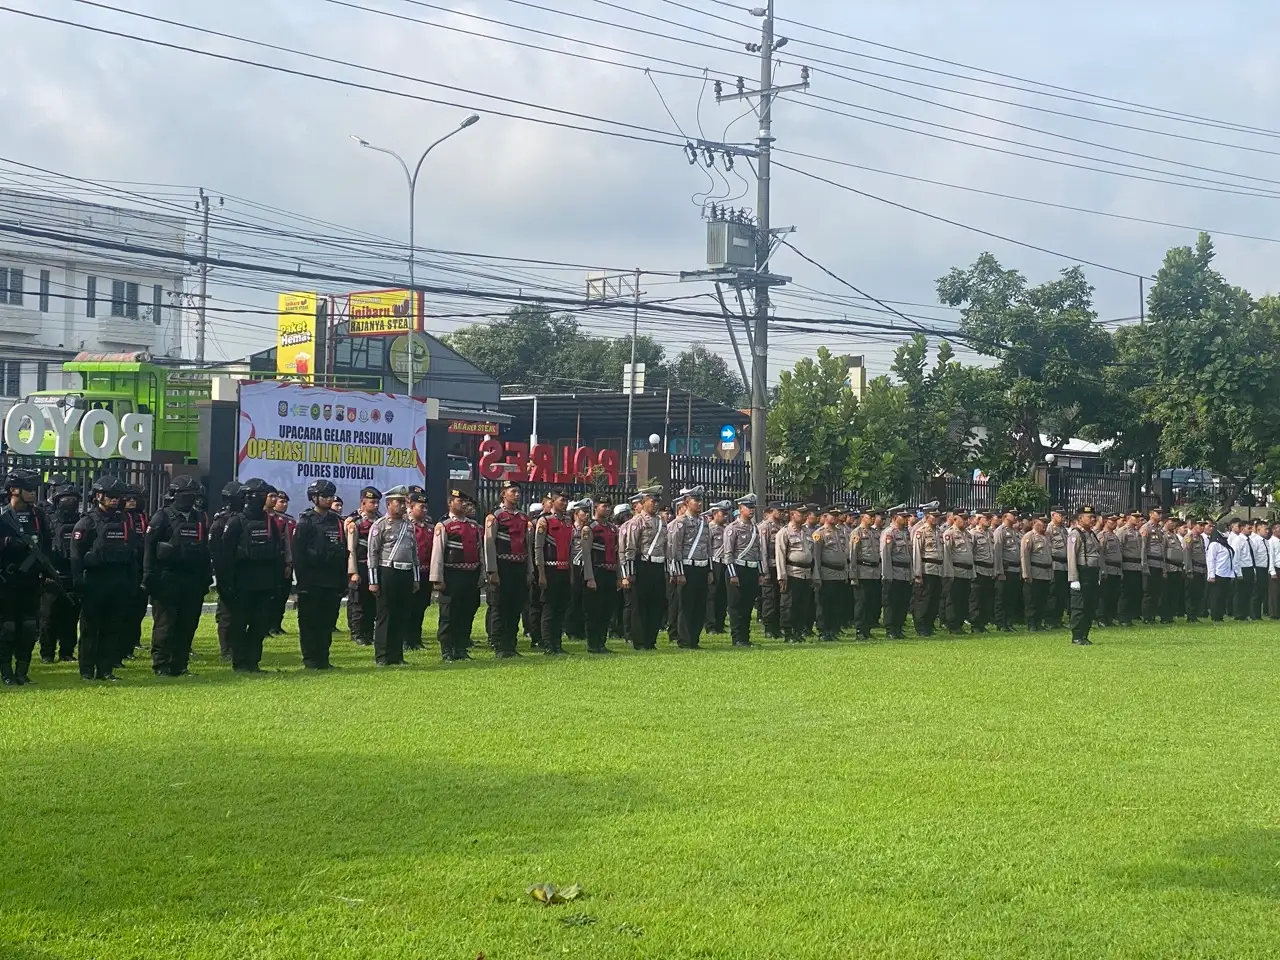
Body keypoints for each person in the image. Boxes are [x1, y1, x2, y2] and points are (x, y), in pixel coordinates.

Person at [144, 476, 212, 677]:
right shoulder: (162, 517)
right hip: (167, 578)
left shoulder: (200, 517)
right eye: (186, 495)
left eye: (194, 495)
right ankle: (161, 665)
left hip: (193, 579)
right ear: (174, 495)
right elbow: (148, 548)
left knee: (188, 624)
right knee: (165, 625)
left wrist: (206, 578)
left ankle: (180, 665)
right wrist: (148, 576)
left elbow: (205, 549)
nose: (191, 499)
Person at [71, 476, 136, 682]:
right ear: (98, 496)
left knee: (112, 627)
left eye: (118, 497)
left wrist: (133, 581)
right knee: (90, 628)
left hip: (118, 581)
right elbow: (75, 554)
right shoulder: (87, 522)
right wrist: (78, 582)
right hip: (95, 582)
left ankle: (106, 670)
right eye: (111, 496)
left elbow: (133, 551)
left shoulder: (124, 521)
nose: (115, 500)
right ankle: (87, 671)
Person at [218, 479, 284, 673]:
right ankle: (239, 662)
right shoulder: (236, 521)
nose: (260, 499)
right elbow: (225, 555)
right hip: (241, 583)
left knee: (259, 626)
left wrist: (277, 582)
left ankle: (253, 662)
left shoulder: (271, 522)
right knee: (238, 625)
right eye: (256, 495)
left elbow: (277, 552)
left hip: (264, 583)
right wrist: (226, 584)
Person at [0, 469, 51, 685]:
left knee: (29, 627)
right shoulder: (3, 517)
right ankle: (6, 672)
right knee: (8, 628)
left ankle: (23, 670)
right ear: (14, 490)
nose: (32, 493)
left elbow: (47, 545)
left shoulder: (38, 516)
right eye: (28, 489)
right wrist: (8, 543)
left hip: (31, 582)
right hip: (6, 582)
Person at [292, 478, 348, 670]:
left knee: (327, 622)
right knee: (309, 622)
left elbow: (344, 551)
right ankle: (310, 659)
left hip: (331, 580)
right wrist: (302, 582)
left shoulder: (337, 522)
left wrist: (343, 581)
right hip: (311, 581)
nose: (328, 499)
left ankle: (323, 658)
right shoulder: (305, 522)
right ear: (314, 498)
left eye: (331, 495)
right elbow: (298, 555)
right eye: (325, 495)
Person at [366, 486, 419, 666]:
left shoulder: (408, 525)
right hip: (387, 572)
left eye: (405, 502)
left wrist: (416, 578)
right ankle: (382, 656)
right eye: (399, 502)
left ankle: (397, 655)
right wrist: (373, 581)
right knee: (385, 614)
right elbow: (372, 554)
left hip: (405, 573)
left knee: (401, 614)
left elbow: (414, 554)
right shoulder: (380, 525)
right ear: (389, 503)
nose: (403, 506)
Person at [431, 489, 485, 662]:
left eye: (464, 501)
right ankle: (447, 649)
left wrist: (482, 573)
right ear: (450, 503)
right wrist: (437, 578)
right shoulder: (444, 525)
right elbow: (438, 553)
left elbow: (480, 552)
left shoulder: (474, 526)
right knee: (448, 613)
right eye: (458, 500)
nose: (462, 503)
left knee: (466, 612)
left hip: (470, 574)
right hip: (451, 574)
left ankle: (461, 648)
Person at [484, 481, 530, 658]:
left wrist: (529, 571)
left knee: (515, 606)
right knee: (500, 606)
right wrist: (492, 570)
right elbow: (489, 544)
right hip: (502, 566)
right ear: (503, 494)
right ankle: (498, 644)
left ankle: (511, 644)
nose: (516, 495)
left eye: (518, 492)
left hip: (519, 566)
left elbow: (527, 545)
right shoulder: (495, 516)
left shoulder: (523, 517)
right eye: (513, 491)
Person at [38, 483, 82, 665]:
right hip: (51, 575)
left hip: (72, 575)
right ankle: (47, 653)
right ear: (57, 501)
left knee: (70, 617)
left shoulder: (81, 521)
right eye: (65, 499)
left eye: (73, 499)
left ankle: (67, 651)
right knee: (48, 617)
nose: (69, 502)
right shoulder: (47, 521)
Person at [619, 486, 666, 650]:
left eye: (657, 501)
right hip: (643, 565)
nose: (656, 504)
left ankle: (650, 640)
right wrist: (629, 573)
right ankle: (639, 641)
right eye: (653, 501)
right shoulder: (637, 521)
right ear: (644, 502)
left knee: (656, 604)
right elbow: (630, 549)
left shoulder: (661, 521)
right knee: (640, 605)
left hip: (658, 565)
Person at [668, 487, 713, 650]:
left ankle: (694, 638)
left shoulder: (704, 522)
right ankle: (685, 639)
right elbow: (676, 549)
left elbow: (708, 547)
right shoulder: (680, 522)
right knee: (686, 605)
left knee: (700, 605)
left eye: (701, 500)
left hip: (702, 566)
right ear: (687, 502)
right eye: (696, 500)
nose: (699, 504)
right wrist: (678, 572)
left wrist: (710, 569)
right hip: (687, 567)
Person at [535, 489, 574, 655]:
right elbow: (538, 548)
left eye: (566, 501)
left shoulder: (567, 521)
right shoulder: (545, 521)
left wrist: (571, 573)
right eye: (561, 500)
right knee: (549, 609)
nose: (564, 503)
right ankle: (548, 645)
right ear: (553, 502)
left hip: (564, 570)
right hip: (550, 569)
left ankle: (557, 643)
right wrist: (541, 573)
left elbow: (570, 548)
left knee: (561, 609)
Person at [209, 481, 243, 661]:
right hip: (226, 570)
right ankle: (226, 649)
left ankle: (237, 646)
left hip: (243, 570)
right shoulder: (221, 520)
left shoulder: (244, 517)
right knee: (227, 613)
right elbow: (215, 548)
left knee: (240, 613)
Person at [581, 498, 620, 654]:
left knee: (606, 609)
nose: (608, 509)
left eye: (609, 506)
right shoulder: (590, 528)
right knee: (593, 610)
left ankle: (602, 642)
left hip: (610, 572)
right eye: (604, 506)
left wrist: (618, 576)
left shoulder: (612, 529)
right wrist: (589, 577)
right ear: (596, 508)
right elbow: (586, 553)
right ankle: (592, 643)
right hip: (597, 572)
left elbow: (616, 554)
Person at [345, 487, 382, 646]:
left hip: (377, 567)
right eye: (372, 502)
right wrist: (353, 571)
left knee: (373, 603)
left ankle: (369, 633)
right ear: (363, 503)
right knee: (358, 602)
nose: (375, 505)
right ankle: (358, 634)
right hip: (360, 566)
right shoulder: (356, 523)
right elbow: (351, 549)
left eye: (377, 502)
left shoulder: (381, 521)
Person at [721, 494, 760, 648]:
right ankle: (737, 637)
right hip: (737, 568)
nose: (751, 510)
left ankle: (745, 636)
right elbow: (728, 553)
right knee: (736, 606)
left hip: (751, 568)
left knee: (748, 605)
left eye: (753, 508)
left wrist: (761, 572)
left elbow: (758, 552)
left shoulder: (754, 528)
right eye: (748, 507)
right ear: (740, 509)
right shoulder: (732, 528)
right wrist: (733, 573)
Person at [776, 502, 815, 643]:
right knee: (789, 605)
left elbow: (812, 554)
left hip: (806, 572)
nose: (804, 516)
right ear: (792, 514)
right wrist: (782, 577)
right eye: (801, 513)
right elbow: (780, 555)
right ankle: (788, 632)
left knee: (803, 605)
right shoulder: (784, 532)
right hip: (792, 572)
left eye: (805, 513)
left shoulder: (808, 532)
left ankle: (798, 631)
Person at [120, 485, 150, 662]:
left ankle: (132, 643)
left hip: (141, 568)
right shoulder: (119, 518)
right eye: (128, 498)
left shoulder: (143, 518)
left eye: (134, 499)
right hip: (126, 568)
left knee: (138, 610)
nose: (131, 502)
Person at [813, 506, 849, 642]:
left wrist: (846, 572)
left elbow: (844, 554)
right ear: (825, 516)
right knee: (824, 604)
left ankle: (833, 629)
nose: (835, 517)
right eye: (832, 515)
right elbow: (816, 556)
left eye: (837, 515)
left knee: (837, 604)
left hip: (839, 573)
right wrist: (817, 575)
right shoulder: (819, 533)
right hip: (826, 573)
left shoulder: (841, 532)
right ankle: (823, 630)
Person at [1067, 505, 1102, 645]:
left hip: (1092, 574)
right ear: (1080, 518)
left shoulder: (1091, 534)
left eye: (1093, 517)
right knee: (1079, 607)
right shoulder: (1076, 534)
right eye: (1089, 517)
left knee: (1089, 605)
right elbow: (1071, 557)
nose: (1092, 519)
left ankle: (1085, 634)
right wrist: (1074, 578)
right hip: (1082, 573)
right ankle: (1077, 636)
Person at [880, 505, 913, 640]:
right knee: (892, 602)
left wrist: (911, 573)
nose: (906, 520)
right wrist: (887, 575)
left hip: (905, 572)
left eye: (906, 517)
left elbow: (909, 554)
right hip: (894, 572)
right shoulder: (889, 533)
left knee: (903, 602)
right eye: (903, 517)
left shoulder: (906, 533)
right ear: (894, 517)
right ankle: (890, 628)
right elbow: (886, 555)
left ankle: (899, 627)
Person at [911, 502, 944, 637]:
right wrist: (918, 573)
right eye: (933, 516)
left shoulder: (938, 532)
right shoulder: (921, 531)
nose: (936, 518)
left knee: (934, 600)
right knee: (924, 599)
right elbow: (917, 553)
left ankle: (929, 625)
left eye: (937, 515)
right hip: (926, 569)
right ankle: (920, 625)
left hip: (937, 569)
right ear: (926, 516)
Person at [849, 507, 882, 641]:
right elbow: (853, 555)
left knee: (871, 602)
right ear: (863, 517)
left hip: (874, 572)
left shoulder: (874, 533)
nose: (873, 519)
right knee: (861, 603)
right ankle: (860, 630)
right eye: (870, 516)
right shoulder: (857, 533)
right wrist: (853, 575)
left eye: (874, 516)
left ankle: (867, 629)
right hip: (862, 571)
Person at [406, 489, 433, 649]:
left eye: (425, 507)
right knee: (408, 607)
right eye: (421, 507)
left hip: (425, 572)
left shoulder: (429, 527)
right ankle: (405, 639)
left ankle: (416, 638)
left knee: (421, 607)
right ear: (412, 506)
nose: (424, 510)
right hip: (409, 572)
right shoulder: (406, 525)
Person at [941, 509, 975, 635]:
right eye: (963, 518)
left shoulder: (967, 534)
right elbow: (947, 555)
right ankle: (952, 624)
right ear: (955, 519)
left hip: (967, 571)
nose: (966, 521)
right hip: (955, 571)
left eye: (967, 518)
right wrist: (948, 573)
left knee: (963, 599)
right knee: (953, 599)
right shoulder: (949, 534)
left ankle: (960, 623)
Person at [269, 490, 297, 635]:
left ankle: (277, 624)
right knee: (272, 594)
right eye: (281, 501)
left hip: (287, 560)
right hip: (273, 561)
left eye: (286, 502)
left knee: (283, 594)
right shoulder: (269, 517)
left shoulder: (290, 520)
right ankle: (268, 625)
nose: (284, 504)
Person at [992, 509, 1023, 631]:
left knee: (1012, 598)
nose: (1015, 517)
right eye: (1013, 515)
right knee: (1002, 598)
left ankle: (1008, 622)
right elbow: (998, 552)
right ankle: (1000, 623)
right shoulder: (1000, 531)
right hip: (1005, 569)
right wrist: (999, 571)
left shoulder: (1014, 532)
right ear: (1005, 516)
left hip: (1015, 569)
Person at [1021, 516, 1054, 631]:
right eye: (1042, 522)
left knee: (1042, 599)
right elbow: (1025, 557)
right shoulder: (1029, 536)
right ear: (1035, 523)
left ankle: (1039, 622)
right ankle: (1031, 623)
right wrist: (1026, 574)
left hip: (1046, 572)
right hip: (1035, 572)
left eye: (1046, 522)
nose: (1045, 525)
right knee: (1032, 600)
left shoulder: (1047, 537)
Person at [757, 503, 783, 639]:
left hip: (780, 567)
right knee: (769, 598)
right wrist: (765, 571)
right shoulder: (765, 527)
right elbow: (763, 551)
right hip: (770, 566)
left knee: (779, 597)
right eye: (779, 510)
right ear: (772, 511)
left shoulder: (782, 527)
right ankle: (768, 627)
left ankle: (777, 627)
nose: (782, 513)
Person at [705, 500, 731, 634]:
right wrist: (709, 569)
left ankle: (720, 623)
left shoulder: (727, 529)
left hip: (725, 563)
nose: (725, 516)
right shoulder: (709, 528)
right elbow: (707, 549)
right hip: (714, 563)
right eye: (723, 513)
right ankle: (711, 625)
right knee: (712, 596)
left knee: (723, 595)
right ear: (715, 513)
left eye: (727, 513)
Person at [1139, 508, 1166, 625]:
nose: (1160, 515)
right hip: (1150, 563)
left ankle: (1152, 616)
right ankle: (1146, 617)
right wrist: (1144, 565)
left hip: (1159, 563)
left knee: (1157, 592)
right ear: (1151, 514)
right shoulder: (1146, 528)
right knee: (1149, 592)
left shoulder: (1160, 529)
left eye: (1161, 513)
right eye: (1157, 513)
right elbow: (1143, 548)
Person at [1046, 507, 1070, 628]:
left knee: (1062, 593)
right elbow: (1048, 547)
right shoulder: (1049, 529)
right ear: (1053, 515)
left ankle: (1058, 618)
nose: (1063, 518)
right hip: (1055, 564)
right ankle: (1050, 619)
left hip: (1065, 565)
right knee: (1053, 593)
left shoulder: (1064, 530)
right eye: (1060, 515)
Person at [1098, 515, 1123, 626]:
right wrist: (1103, 570)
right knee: (1105, 595)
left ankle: (1110, 617)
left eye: (1115, 521)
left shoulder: (1115, 536)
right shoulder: (1102, 536)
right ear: (1105, 521)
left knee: (1114, 595)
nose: (1114, 523)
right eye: (1111, 521)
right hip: (1108, 568)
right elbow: (1100, 554)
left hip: (1116, 569)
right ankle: (1102, 618)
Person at [1206, 526, 1235, 622]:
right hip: (1218, 574)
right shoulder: (1214, 544)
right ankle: (1215, 615)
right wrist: (1211, 575)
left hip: (1227, 574)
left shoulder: (1225, 544)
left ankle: (1220, 615)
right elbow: (1210, 560)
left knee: (1223, 596)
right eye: (1224, 530)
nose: (1226, 532)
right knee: (1216, 596)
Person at [1162, 517, 1186, 624]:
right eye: (1172, 522)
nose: (1174, 524)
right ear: (1166, 522)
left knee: (1175, 594)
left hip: (1177, 568)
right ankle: (1165, 616)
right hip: (1169, 567)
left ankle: (1170, 615)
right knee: (1167, 594)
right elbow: (1162, 553)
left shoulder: (1174, 535)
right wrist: (1164, 569)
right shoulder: (1163, 535)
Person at [1184, 519, 1208, 624]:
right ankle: (1190, 616)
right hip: (1194, 568)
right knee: (1192, 594)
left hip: (1201, 569)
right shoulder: (1189, 537)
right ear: (1194, 525)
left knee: (1199, 593)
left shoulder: (1201, 537)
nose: (1202, 527)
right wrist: (1189, 570)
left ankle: (1195, 614)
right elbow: (1186, 554)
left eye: (1203, 525)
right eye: (1200, 525)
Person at [1247, 519, 1268, 621]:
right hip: (1258, 568)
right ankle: (1254, 614)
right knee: (1256, 592)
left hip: (1265, 568)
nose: (1267, 531)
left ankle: (1258, 614)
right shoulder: (1255, 541)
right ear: (1258, 529)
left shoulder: (1266, 541)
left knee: (1261, 592)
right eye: (1265, 529)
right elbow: (1253, 556)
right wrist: (1254, 569)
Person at [1269, 521, 1280, 620]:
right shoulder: (1271, 541)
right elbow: (1271, 557)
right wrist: (1272, 571)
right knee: (1274, 592)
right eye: (1278, 528)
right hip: (1276, 568)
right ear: (1273, 530)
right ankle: (1274, 613)